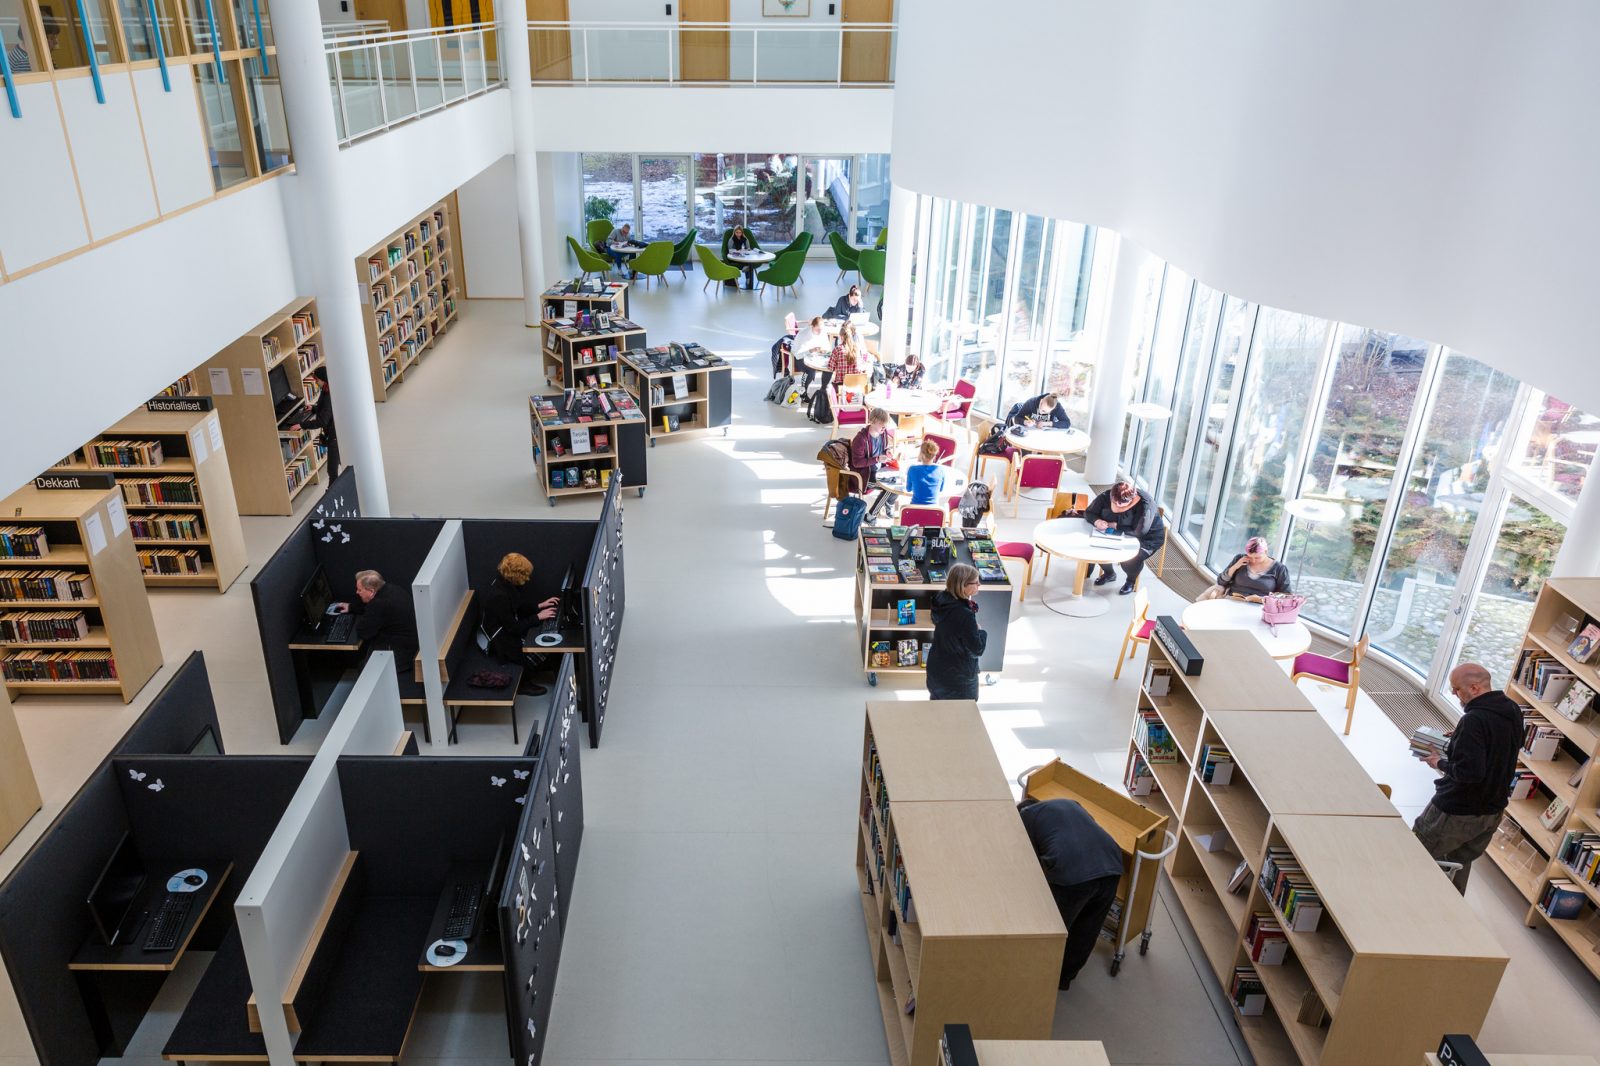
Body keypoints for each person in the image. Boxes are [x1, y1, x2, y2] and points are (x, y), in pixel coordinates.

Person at [1413, 662, 1521, 894]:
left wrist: (1438, 762)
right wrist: (1462, 737)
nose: (1453, 693)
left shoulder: (1474, 720)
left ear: (1474, 688)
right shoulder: (1512, 709)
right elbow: (1501, 745)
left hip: (1456, 812)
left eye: (1456, 689)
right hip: (1492, 813)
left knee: (1417, 855)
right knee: (1458, 865)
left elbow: (1469, 773)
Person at [1018, 796, 1123, 991]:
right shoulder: (1069, 803)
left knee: (1056, 927)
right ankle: (1065, 978)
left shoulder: (1025, 817)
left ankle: (1038, 979)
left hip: (1073, 875)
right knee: (1088, 928)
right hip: (1112, 865)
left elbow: (1030, 861)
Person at [478, 552, 555, 696]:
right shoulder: (499, 596)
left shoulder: (502, 584)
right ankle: (523, 685)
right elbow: (514, 628)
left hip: (504, 630)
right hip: (500, 641)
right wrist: (538, 617)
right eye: (525, 574)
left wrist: (539, 606)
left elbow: (516, 606)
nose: (528, 578)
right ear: (517, 575)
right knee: (526, 656)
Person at [1085, 480, 1167, 595]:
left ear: (1131, 499)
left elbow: (1140, 531)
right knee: (1099, 548)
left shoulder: (1145, 503)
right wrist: (1097, 521)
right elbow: (1089, 512)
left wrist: (1117, 526)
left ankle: (1130, 581)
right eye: (1115, 502)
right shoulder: (1106, 496)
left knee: (1130, 558)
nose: (1117, 506)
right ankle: (1109, 573)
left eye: (1121, 504)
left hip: (1147, 538)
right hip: (1116, 533)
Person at [334, 570, 418, 680]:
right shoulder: (392, 589)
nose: (357, 592)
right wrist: (351, 607)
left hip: (400, 655)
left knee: (363, 669)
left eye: (360, 590)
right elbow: (373, 608)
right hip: (410, 645)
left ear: (371, 591)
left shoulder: (379, 604)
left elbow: (364, 632)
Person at [926, 564, 986, 700]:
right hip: (958, 677)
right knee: (963, 715)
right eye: (976, 582)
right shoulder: (965, 615)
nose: (979, 584)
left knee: (937, 712)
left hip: (936, 668)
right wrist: (980, 631)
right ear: (963, 585)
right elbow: (976, 650)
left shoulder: (939, 600)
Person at [1198, 535, 1292, 602]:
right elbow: (1221, 582)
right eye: (1250, 557)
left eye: (1257, 557)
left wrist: (1267, 600)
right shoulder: (1240, 559)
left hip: (1259, 607)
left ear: (1266, 552)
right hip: (1233, 601)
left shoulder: (1279, 569)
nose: (1253, 561)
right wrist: (1235, 566)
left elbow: (1286, 595)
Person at [292, 367, 339, 476]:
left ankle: (333, 491)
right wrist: (314, 408)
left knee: (332, 471)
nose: (316, 383)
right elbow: (327, 409)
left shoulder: (328, 395)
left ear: (324, 380)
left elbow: (322, 421)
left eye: (317, 380)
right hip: (335, 434)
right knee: (335, 468)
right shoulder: (327, 389)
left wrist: (302, 425)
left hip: (334, 437)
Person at [849, 408, 895, 490]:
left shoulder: (883, 433)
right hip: (865, 475)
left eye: (885, 425)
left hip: (880, 470)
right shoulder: (861, 439)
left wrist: (887, 451)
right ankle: (881, 504)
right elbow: (857, 463)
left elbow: (883, 449)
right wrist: (877, 459)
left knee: (897, 483)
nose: (884, 427)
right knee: (891, 489)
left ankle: (882, 504)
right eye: (881, 424)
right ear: (872, 422)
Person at [905, 439, 947, 506]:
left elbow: (908, 489)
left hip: (914, 510)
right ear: (934, 456)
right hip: (934, 512)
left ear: (921, 454)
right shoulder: (941, 470)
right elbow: (941, 489)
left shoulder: (912, 469)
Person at [793, 316, 832, 390]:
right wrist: (810, 350)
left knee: (829, 367)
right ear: (812, 326)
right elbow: (798, 355)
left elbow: (827, 348)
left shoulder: (822, 332)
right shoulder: (803, 335)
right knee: (811, 370)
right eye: (818, 330)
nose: (820, 332)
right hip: (801, 359)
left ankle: (822, 390)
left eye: (821, 329)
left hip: (816, 358)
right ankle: (804, 392)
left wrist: (824, 350)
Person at [1007, 391, 1071, 430]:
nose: (1041, 412)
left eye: (1045, 412)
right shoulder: (1031, 402)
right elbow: (1016, 418)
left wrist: (1047, 423)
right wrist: (1025, 422)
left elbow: (1067, 423)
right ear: (1041, 401)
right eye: (1041, 409)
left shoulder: (1057, 407)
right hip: (1029, 432)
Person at [727, 224, 754, 289]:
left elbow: (748, 248)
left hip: (744, 256)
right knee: (747, 264)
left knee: (748, 261)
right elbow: (730, 250)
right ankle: (745, 267)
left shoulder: (745, 239)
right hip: (735, 257)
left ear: (742, 232)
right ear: (734, 232)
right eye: (737, 232)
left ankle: (748, 279)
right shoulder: (731, 240)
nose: (738, 234)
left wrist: (747, 250)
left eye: (740, 232)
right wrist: (737, 251)